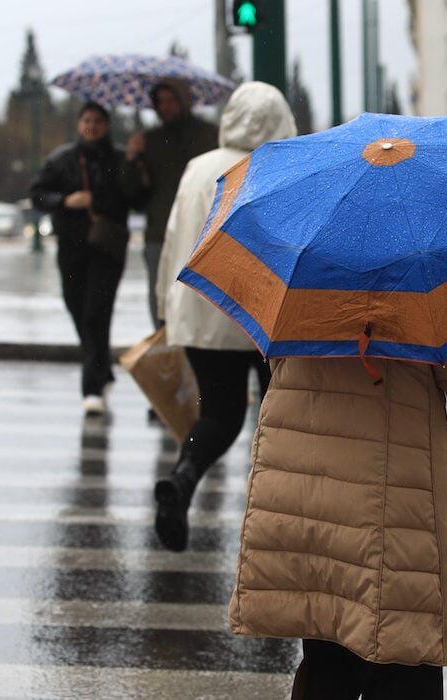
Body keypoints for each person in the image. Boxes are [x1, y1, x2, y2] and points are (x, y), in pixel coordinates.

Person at [228, 340, 447, 699]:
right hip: (397, 500)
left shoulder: (308, 291)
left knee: (327, 651)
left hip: (314, 486)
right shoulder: (424, 293)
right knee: (405, 654)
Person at [152, 81, 297, 552]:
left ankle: (183, 477)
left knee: (219, 414)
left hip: (200, 310)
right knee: (280, 421)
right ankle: (278, 517)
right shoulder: (278, 168)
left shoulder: (197, 169)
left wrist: (164, 308)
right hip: (262, 316)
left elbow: (174, 240)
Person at [30, 102, 136, 415]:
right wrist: (66, 200)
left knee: (96, 313)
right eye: (87, 120)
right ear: (79, 124)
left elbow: (135, 196)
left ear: (107, 125)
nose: (92, 126)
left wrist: (104, 193)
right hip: (72, 246)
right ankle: (102, 369)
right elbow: (37, 194)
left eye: (98, 121)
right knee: (77, 307)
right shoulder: (62, 159)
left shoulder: (119, 159)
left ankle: (92, 388)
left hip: (107, 248)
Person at [119, 78, 216, 330]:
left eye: (171, 100)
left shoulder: (209, 135)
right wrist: (132, 159)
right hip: (160, 232)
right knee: (161, 296)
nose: (165, 107)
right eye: (160, 102)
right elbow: (134, 195)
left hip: (202, 230)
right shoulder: (148, 141)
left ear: (183, 100)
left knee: (201, 299)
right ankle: (167, 350)